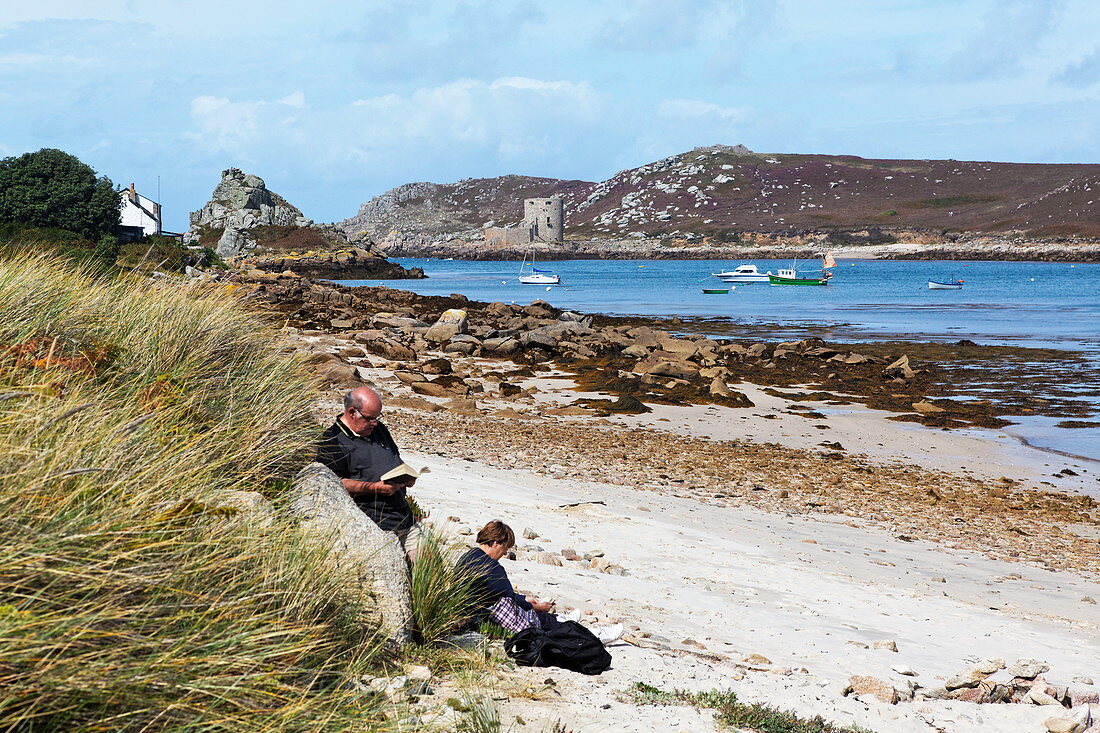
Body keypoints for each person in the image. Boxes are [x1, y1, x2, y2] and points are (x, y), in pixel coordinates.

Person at [458, 520, 622, 643]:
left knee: (543, 615)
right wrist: (537, 606)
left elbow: (500, 594)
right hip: (493, 620)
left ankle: (563, 620)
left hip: (475, 614)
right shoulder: (492, 568)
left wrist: (525, 599)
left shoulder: (469, 556)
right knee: (545, 620)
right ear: (495, 543)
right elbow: (510, 600)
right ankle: (596, 635)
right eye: (504, 548)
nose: (504, 553)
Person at [317, 387, 423, 559]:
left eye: (378, 417)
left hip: (404, 517)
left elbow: (395, 459)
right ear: (352, 412)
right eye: (370, 419)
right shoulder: (332, 441)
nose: (375, 423)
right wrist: (374, 488)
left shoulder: (379, 430)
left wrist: (407, 477)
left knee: (427, 570)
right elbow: (333, 483)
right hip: (374, 525)